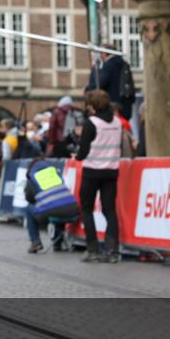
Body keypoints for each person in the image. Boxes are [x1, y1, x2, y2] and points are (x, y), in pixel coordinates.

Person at [76, 90, 122, 263]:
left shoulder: (91, 123)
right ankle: (112, 251)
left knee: (87, 209)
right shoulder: (117, 122)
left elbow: (84, 150)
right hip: (111, 170)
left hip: (92, 171)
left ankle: (93, 249)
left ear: (92, 106)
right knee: (110, 210)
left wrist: (77, 157)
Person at [22, 155, 79, 253]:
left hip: (53, 212)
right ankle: (58, 244)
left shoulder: (32, 176)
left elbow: (29, 198)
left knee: (29, 209)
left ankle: (35, 242)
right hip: (73, 211)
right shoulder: (55, 173)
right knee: (57, 206)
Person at [86, 44, 135, 120]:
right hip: (125, 105)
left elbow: (101, 83)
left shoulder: (108, 65)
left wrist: (90, 86)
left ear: (105, 53)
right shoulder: (124, 64)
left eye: (101, 53)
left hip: (112, 105)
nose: (101, 56)